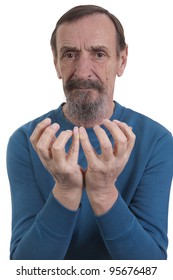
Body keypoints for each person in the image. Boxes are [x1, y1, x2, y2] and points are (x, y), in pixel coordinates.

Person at [6, 4, 173, 260]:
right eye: (70, 54)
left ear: (122, 60)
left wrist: (105, 192)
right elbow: (24, 267)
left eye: (99, 54)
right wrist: (65, 190)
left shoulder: (157, 141)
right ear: (56, 64)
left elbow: (151, 267)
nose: (83, 72)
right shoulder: (26, 141)